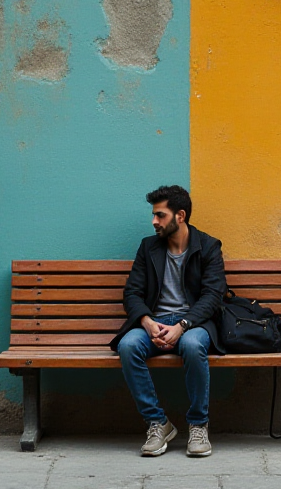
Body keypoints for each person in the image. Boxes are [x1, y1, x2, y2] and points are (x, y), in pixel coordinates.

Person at [110, 185, 226, 457]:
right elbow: (132, 293)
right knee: (128, 346)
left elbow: (212, 295)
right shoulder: (148, 247)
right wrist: (147, 322)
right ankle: (158, 422)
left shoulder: (208, 246)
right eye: (154, 215)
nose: (154, 221)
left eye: (160, 215)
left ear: (180, 215)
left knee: (194, 345)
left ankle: (198, 424)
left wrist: (182, 326)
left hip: (193, 324)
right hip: (155, 322)